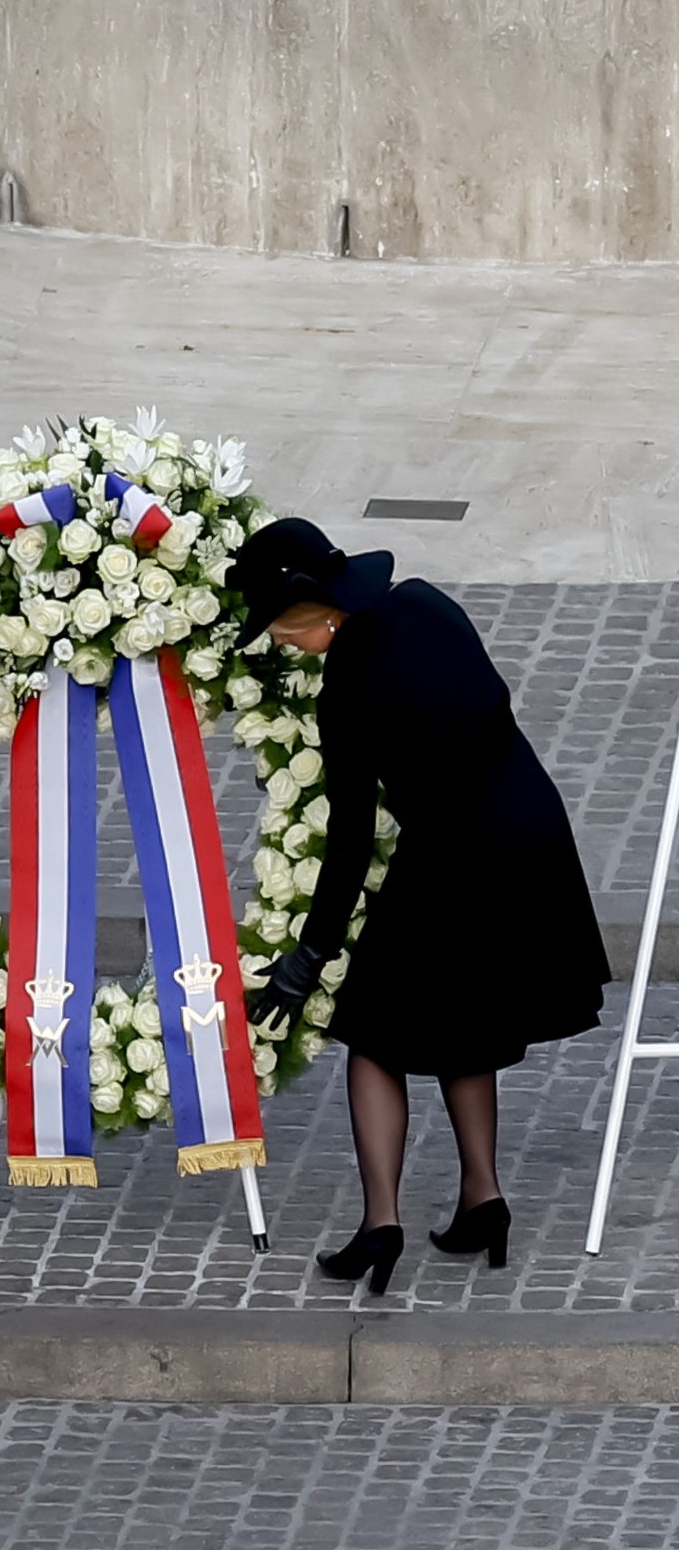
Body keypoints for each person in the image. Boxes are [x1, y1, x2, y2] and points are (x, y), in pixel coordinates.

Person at [227, 518, 609, 1295]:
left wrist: (311, 954)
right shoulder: (427, 604)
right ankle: (483, 1199)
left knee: (373, 1033)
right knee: (462, 1022)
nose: (280, 644)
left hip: (452, 855)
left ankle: (381, 1225)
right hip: (532, 825)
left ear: (316, 616)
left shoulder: (346, 692)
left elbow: (351, 838)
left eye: (280, 629)